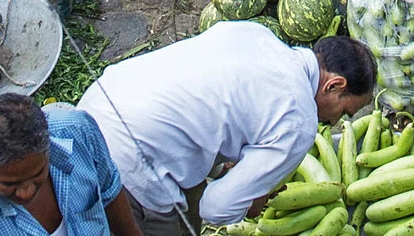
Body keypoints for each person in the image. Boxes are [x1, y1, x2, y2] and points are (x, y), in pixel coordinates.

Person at [85, 24, 375, 236]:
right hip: (131, 164)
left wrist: (232, 174)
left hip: (95, 109)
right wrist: (253, 200)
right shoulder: (299, 121)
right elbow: (215, 209)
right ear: (334, 85)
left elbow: (208, 109)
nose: (336, 123)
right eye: (345, 112)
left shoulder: (256, 34)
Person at [0, 92, 143, 236]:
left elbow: (109, 192)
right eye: (10, 184)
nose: (26, 192)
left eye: (38, 174)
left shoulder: (78, 132)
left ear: (47, 147)